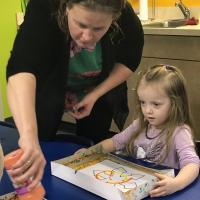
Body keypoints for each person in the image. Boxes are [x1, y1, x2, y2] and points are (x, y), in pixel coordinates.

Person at [6, 0, 144, 190]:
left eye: (98, 28)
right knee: (39, 143)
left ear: (114, 19)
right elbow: (21, 68)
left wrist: (95, 94)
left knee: (94, 145)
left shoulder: (124, 14)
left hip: (97, 84)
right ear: (66, 7)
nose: (87, 37)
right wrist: (28, 137)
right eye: (80, 24)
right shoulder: (44, 6)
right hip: (50, 83)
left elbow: (130, 59)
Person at [76, 64, 200, 197]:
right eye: (143, 102)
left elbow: (192, 164)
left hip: (162, 192)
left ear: (176, 103)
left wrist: (176, 183)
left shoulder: (180, 132)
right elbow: (114, 142)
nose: (147, 110)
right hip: (136, 187)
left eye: (156, 104)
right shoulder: (140, 125)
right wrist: (89, 153)